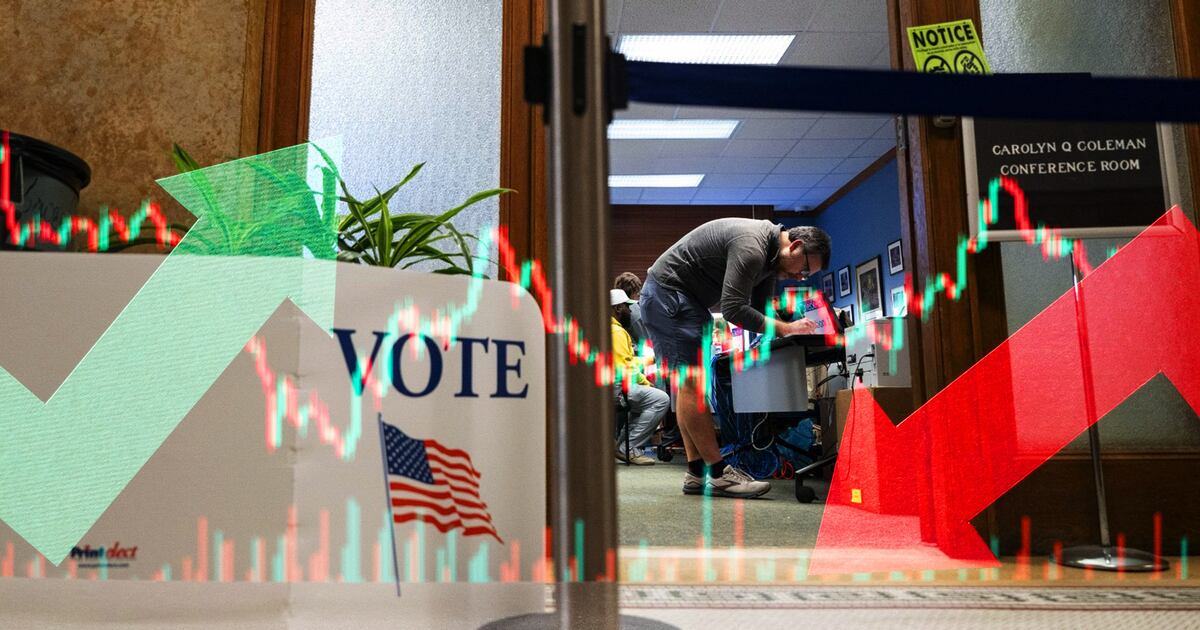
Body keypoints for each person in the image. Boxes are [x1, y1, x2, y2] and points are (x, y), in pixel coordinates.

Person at [639, 220, 831, 498]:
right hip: (670, 295)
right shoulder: (752, 247)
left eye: (806, 276)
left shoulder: (770, 260)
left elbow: (758, 311)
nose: (800, 278)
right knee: (692, 384)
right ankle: (718, 475)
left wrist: (789, 327)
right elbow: (733, 309)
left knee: (689, 385)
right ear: (796, 246)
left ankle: (696, 472)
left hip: (679, 298)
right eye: (803, 270)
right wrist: (787, 328)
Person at [610, 288, 670, 465]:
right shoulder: (617, 332)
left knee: (644, 401)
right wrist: (646, 380)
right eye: (627, 307)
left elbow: (622, 361)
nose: (630, 311)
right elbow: (624, 366)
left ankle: (624, 447)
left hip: (609, 385)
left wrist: (643, 362)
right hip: (617, 387)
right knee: (660, 399)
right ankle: (627, 448)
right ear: (618, 308)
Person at [613, 272, 649, 348]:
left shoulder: (616, 309)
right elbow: (646, 345)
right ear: (633, 292)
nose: (640, 294)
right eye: (637, 291)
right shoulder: (635, 313)